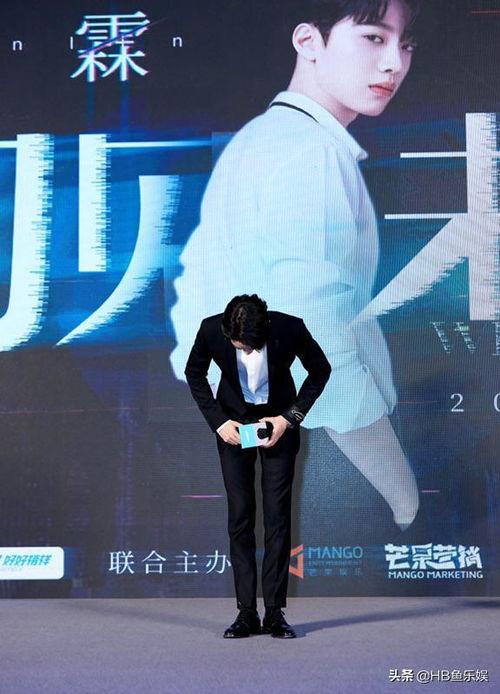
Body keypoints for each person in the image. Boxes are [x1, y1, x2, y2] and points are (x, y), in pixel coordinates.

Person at [171, 0, 421, 535]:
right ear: (309, 41)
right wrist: (404, 494)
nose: (394, 63)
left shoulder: (270, 137)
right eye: (374, 38)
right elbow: (320, 330)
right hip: (323, 440)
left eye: (405, 45)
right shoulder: (307, 152)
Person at [185, 295, 331, 638]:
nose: (243, 350)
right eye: (237, 344)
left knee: (277, 518)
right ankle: (246, 612)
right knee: (240, 518)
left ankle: (275, 613)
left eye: (249, 345)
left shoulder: (289, 328)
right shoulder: (211, 329)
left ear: (264, 330)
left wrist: (288, 418)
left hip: (277, 425)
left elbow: (320, 370)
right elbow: (194, 373)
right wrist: (219, 422)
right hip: (233, 427)